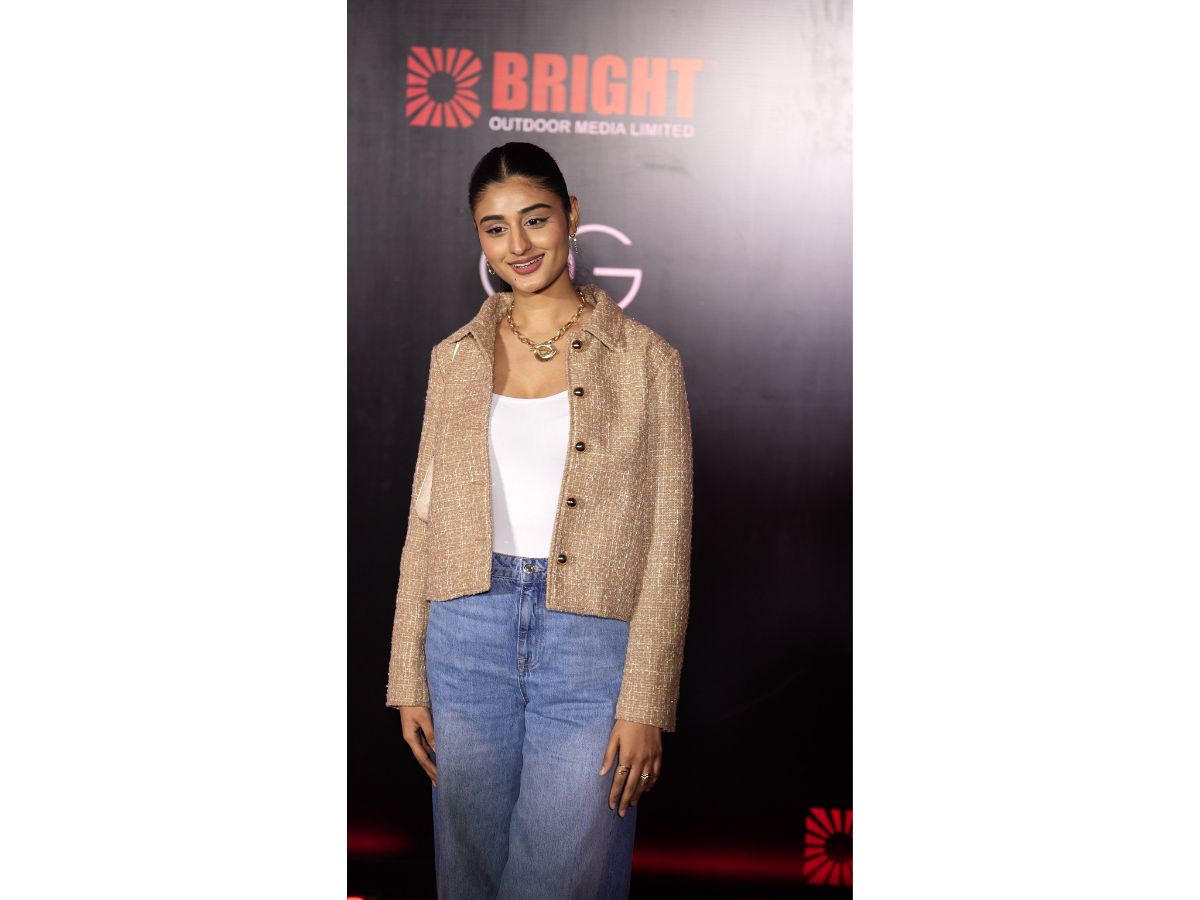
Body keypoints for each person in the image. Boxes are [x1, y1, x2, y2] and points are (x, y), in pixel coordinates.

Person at [385, 141, 694, 900]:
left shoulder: (647, 361)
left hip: (591, 648)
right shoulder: (454, 357)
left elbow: (668, 542)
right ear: (479, 238)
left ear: (572, 215)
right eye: (495, 228)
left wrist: (646, 700)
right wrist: (407, 674)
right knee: (470, 876)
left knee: (561, 878)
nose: (517, 245)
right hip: (464, 636)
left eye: (535, 219)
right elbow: (424, 520)